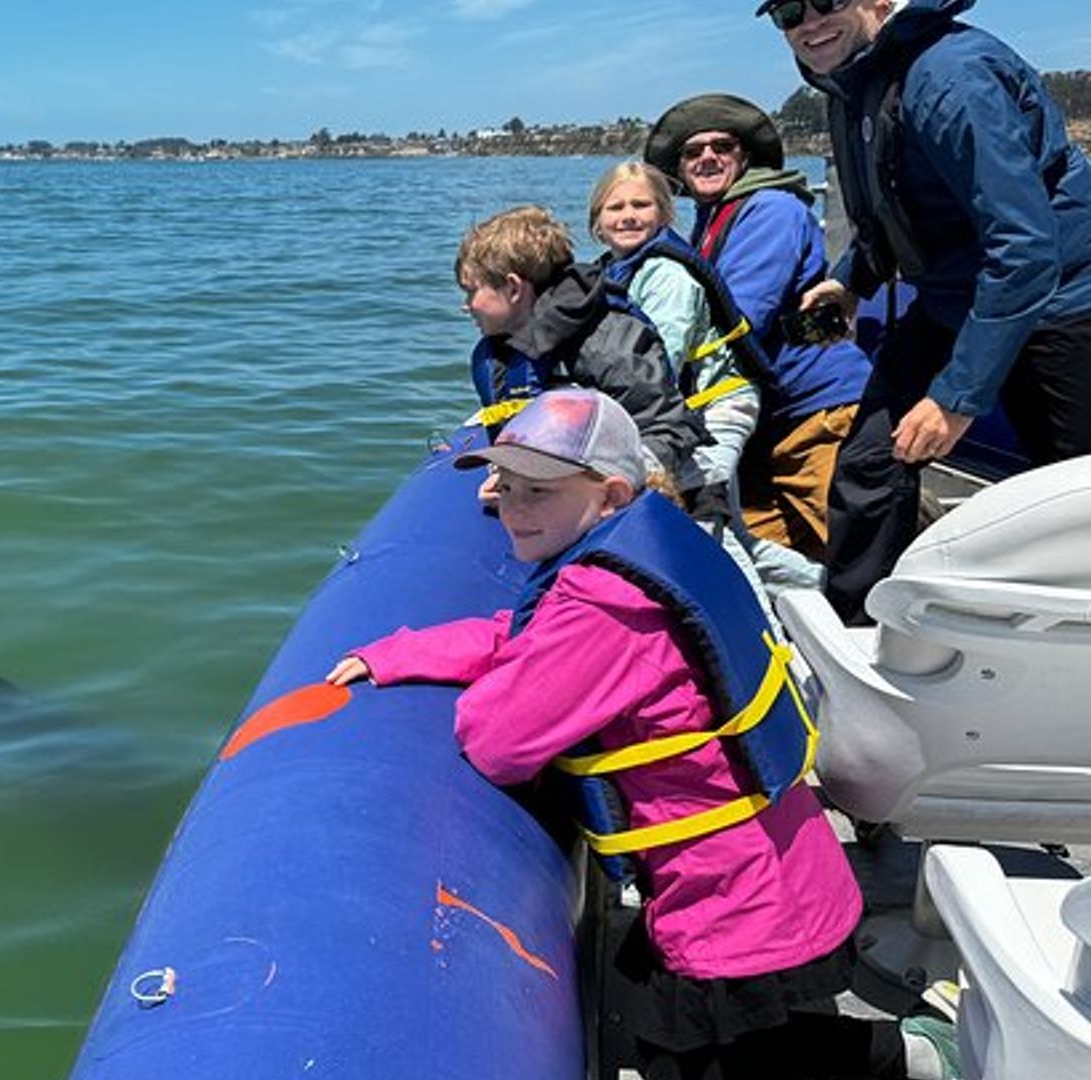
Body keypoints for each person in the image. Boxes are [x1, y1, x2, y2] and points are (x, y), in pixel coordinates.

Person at [326, 389, 961, 1080]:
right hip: (782, 870)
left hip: (736, 905)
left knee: (694, 1063)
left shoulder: (606, 606)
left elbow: (497, 740)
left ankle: (910, 1056)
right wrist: (403, 653)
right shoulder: (649, 548)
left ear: (611, 492)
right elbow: (531, 641)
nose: (511, 506)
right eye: (503, 485)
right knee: (690, 1044)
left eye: (537, 490)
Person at [761, 0, 1091, 622]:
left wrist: (957, 398)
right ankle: (853, 636)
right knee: (871, 463)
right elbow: (891, 208)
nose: (808, 23)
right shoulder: (850, 83)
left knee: (1072, 489)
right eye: (788, 14)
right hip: (952, 297)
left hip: (1059, 302)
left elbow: (1023, 249)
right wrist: (851, 281)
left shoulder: (950, 78)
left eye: (827, 2)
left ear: (878, 2)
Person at [644, 93, 871, 584]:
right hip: (768, 428)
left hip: (819, 416)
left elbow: (740, 314)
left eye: (721, 146)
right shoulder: (710, 222)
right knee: (742, 558)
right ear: (679, 169)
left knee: (866, 559)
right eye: (692, 151)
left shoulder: (770, 209)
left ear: (744, 156)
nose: (707, 157)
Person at [458, 206, 707, 486]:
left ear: (514, 288)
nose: (466, 306)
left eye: (471, 291)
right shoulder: (501, 352)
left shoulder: (606, 341)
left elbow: (667, 429)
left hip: (642, 486)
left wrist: (599, 488)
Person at [589, 161, 764, 520]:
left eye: (641, 205)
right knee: (738, 537)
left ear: (665, 215)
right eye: (616, 207)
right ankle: (815, 579)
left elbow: (659, 362)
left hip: (715, 407)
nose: (628, 216)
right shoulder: (610, 271)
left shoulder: (668, 277)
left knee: (704, 518)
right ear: (597, 222)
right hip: (679, 410)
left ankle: (729, 578)